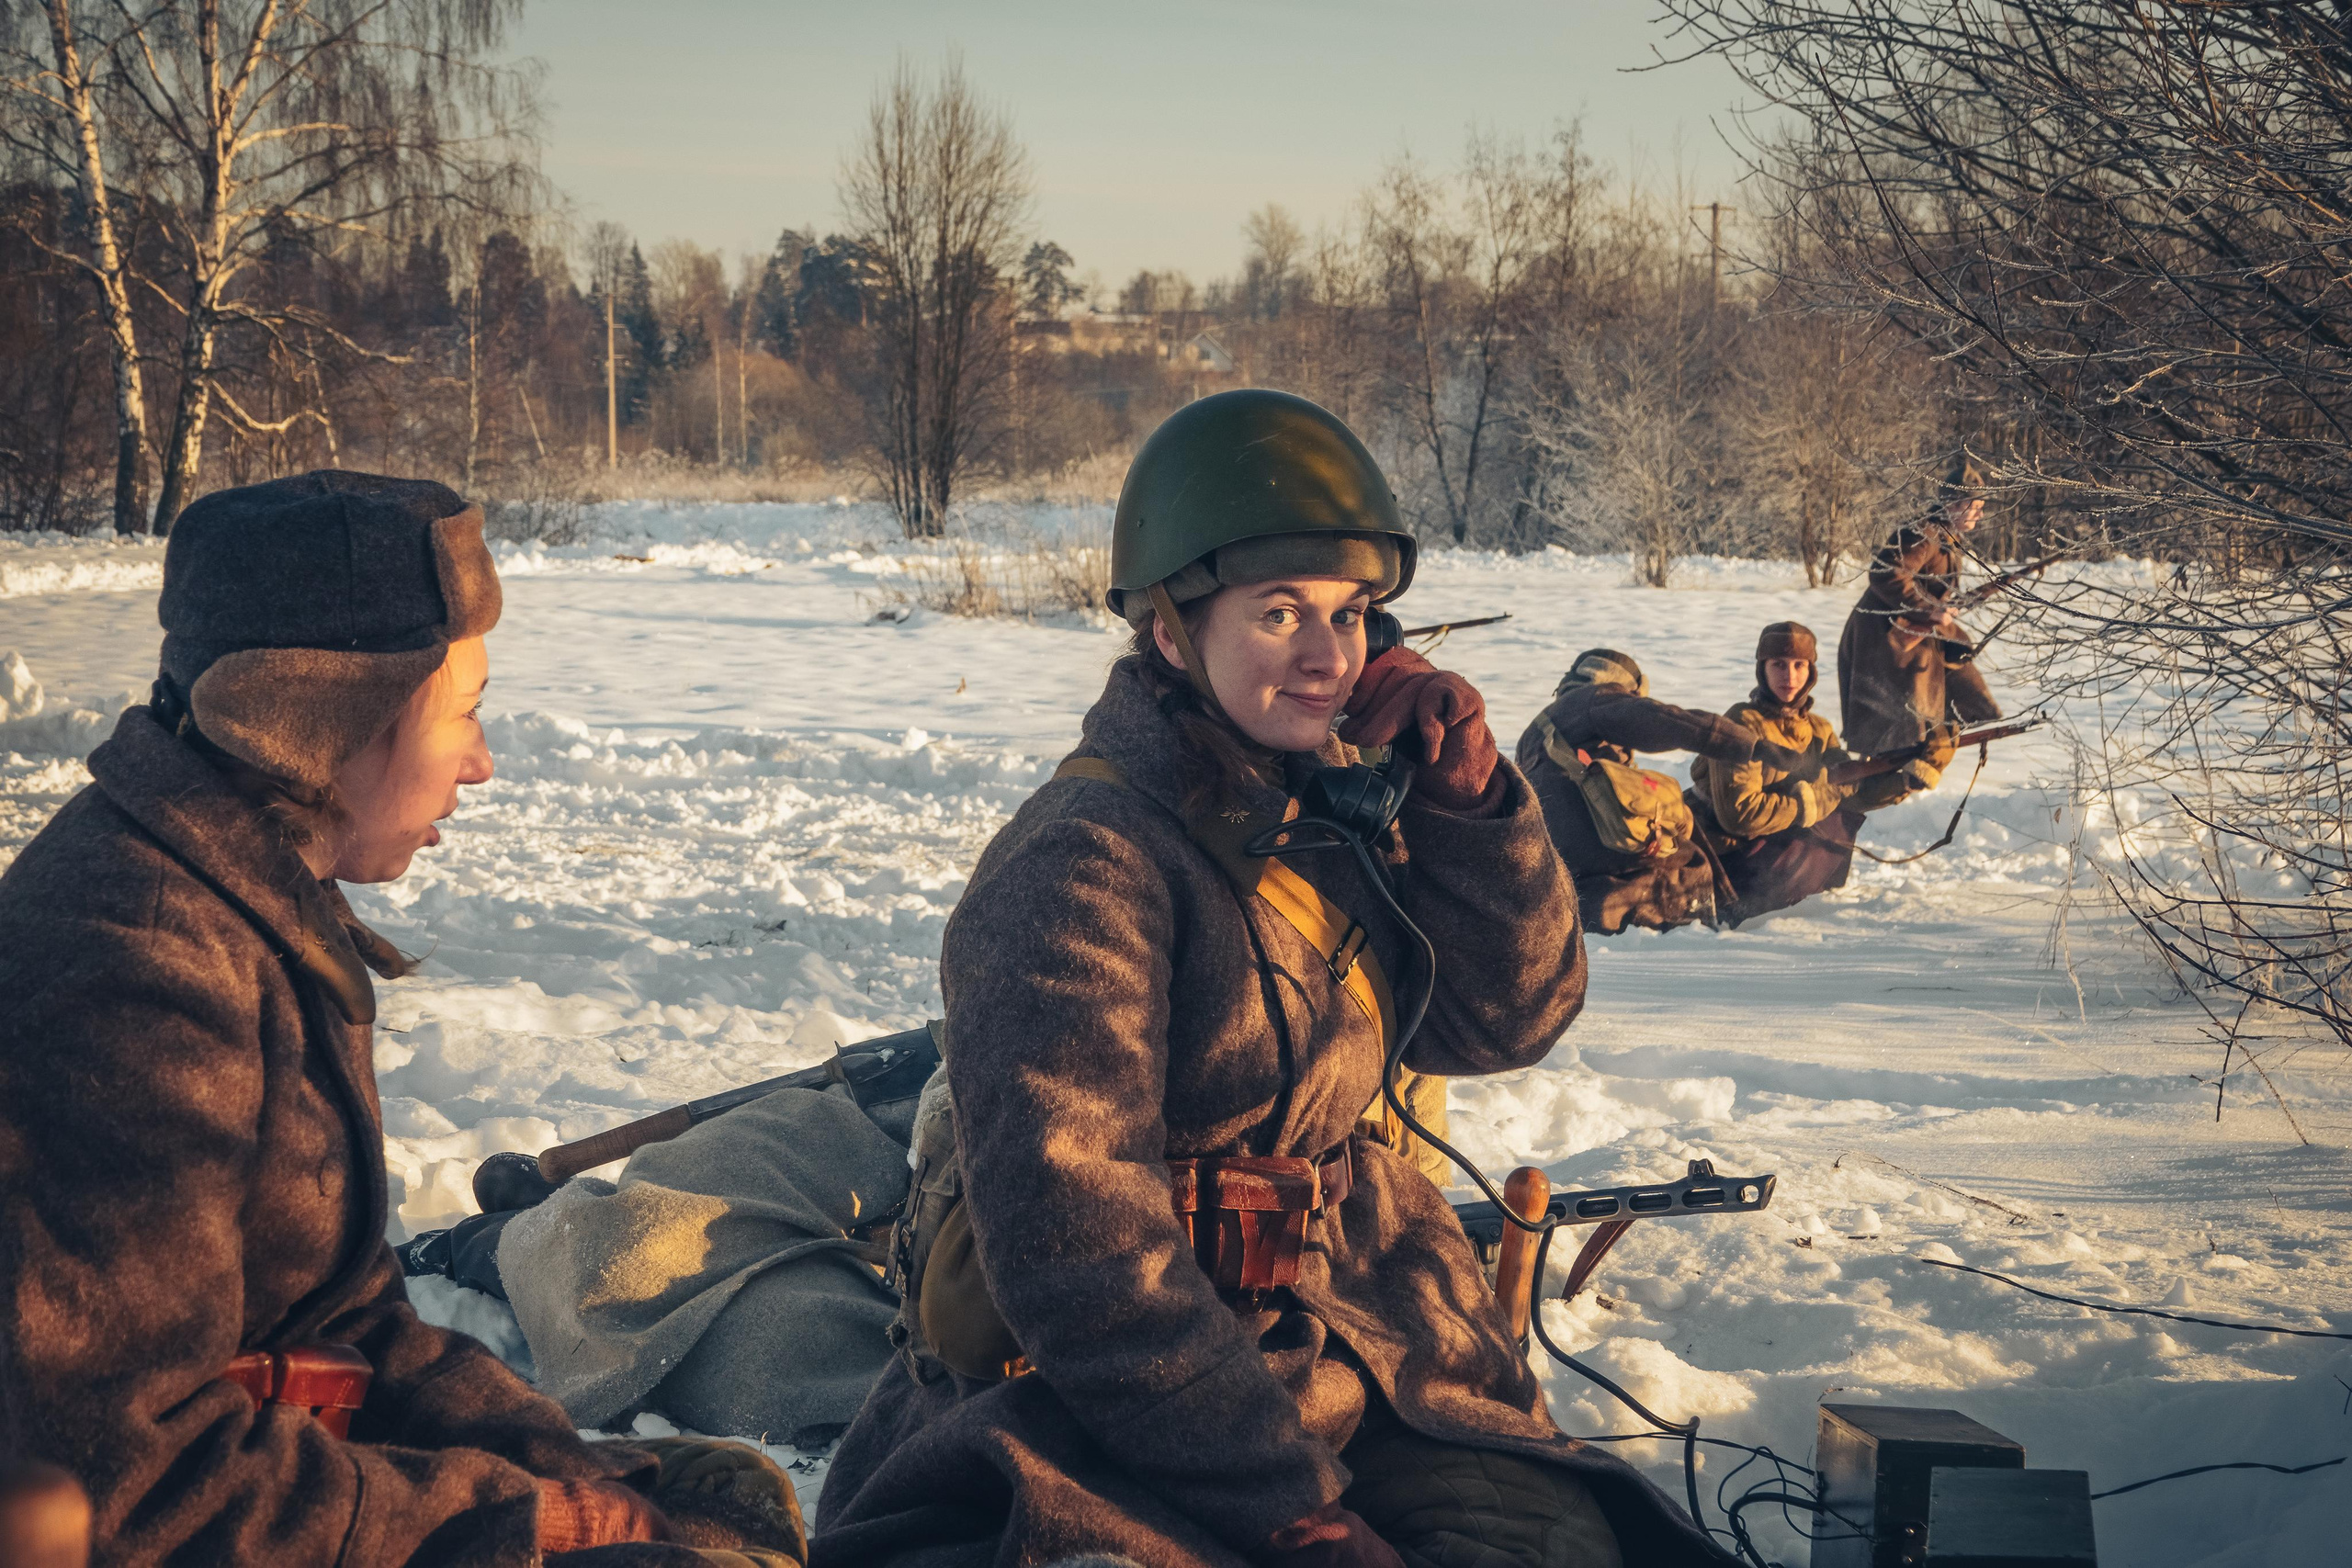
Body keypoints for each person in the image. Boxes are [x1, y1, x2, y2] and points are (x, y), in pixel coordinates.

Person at [813, 390, 1727, 1568]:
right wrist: (1295, 1514)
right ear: (1169, 626)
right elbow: (1080, 1248)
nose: (1326, 655)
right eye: (1280, 611)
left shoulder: (1331, 805)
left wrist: (1463, 802)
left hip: (1370, 1351)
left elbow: (1509, 1019)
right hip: (1117, 1400)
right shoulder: (1080, 866)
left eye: (1351, 616)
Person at [0, 471, 800, 1566]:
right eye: (463, 712)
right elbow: (126, 1489)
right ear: (322, 722)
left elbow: (345, 1316)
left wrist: (576, 1473)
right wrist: (519, 1521)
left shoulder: (248, 896)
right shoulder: (139, 979)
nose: (481, 761)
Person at [1514, 648, 1809, 934]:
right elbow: (1665, 720)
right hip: (1592, 832)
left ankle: (1598, 923)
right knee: (1686, 857)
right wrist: (1748, 745)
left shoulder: (1536, 730)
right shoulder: (1596, 699)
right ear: (1629, 687)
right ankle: (1710, 927)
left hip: (1547, 850)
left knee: (1603, 881)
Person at [1689, 622, 1948, 926]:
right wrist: (1810, 802)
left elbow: (1850, 790)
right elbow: (1741, 815)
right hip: (1719, 856)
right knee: (1826, 819)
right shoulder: (1743, 723)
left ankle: (1798, 903)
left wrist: (1904, 780)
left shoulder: (1818, 729)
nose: (1789, 676)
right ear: (1762, 669)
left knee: (1837, 818)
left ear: (1811, 671)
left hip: (1765, 853)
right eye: (1778, 665)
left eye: (1799, 665)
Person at [1837, 456, 2003, 783]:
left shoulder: (1945, 538)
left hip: (1914, 636)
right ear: (1955, 504)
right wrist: (1926, 608)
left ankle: (1915, 770)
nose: (1980, 513)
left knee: (1952, 698)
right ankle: (1888, 784)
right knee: (1896, 725)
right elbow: (1885, 574)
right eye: (1975, 505)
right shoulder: (1923, 533)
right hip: (1887, 639)